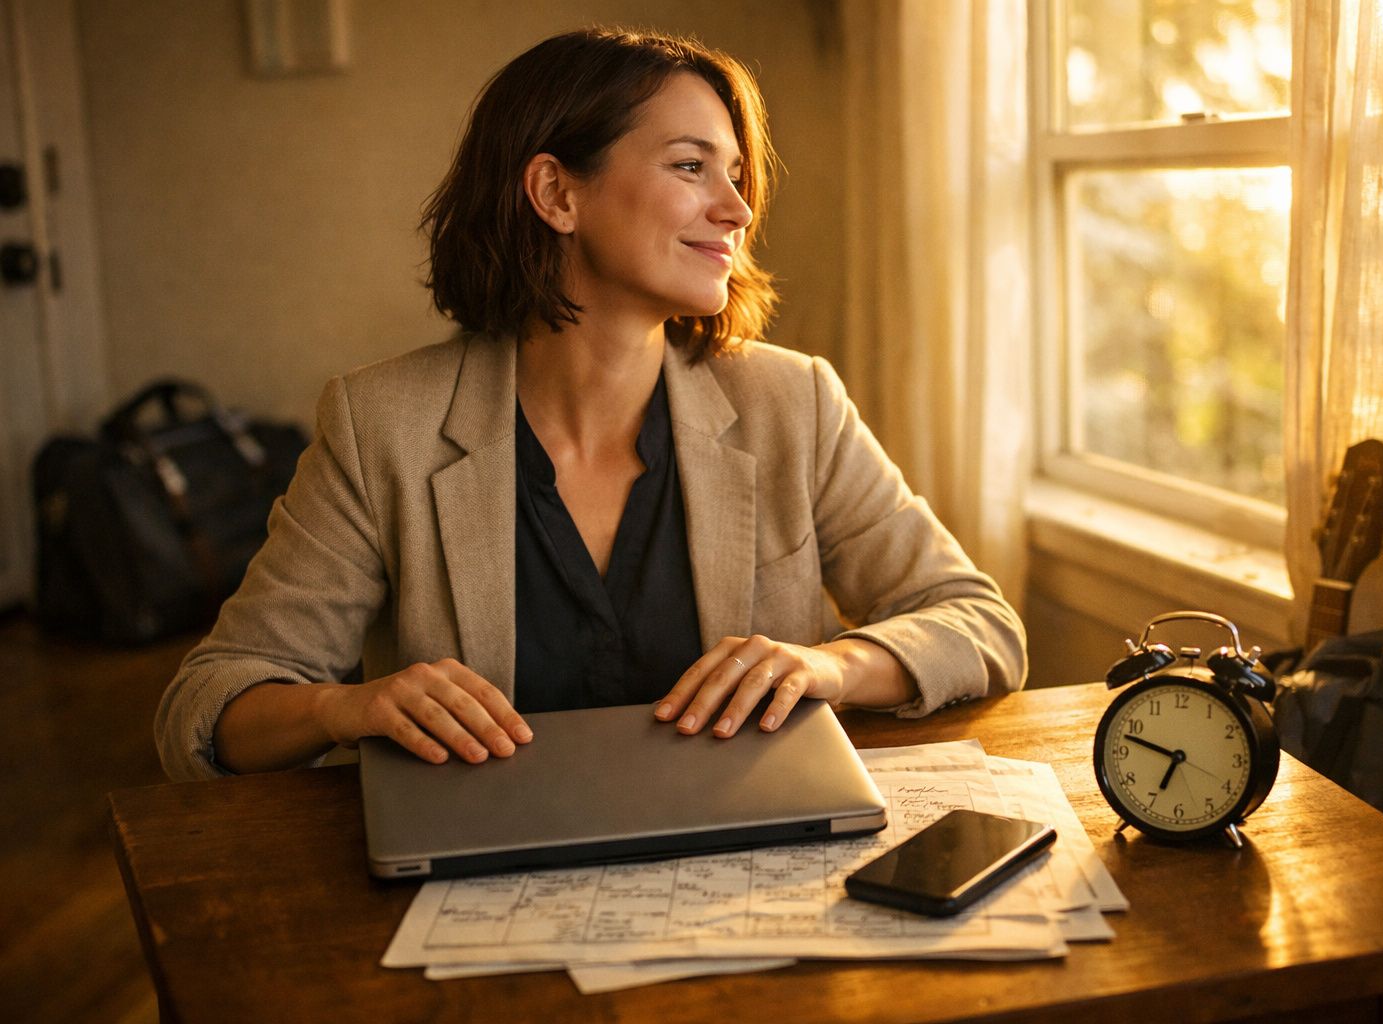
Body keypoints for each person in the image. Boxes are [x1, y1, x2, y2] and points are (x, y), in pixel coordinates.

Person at [155, 27, 1026, 783]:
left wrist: (829, 666)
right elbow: (207, 705)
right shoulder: (382, 424)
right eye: (691, 167)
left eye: (736, 174)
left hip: (753, 855)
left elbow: (983, 626)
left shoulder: (792, 400)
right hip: (489, 874)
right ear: (556, 194)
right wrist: (348, 708)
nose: (737, 208)